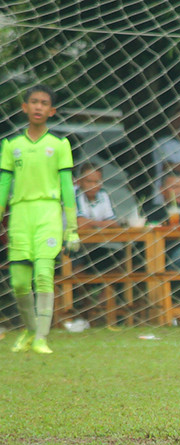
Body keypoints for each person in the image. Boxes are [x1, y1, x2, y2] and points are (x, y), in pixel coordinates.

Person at [0, 84, 78, 354]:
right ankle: (30, 330)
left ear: (52, 110)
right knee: (19, 282)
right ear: (24, 107)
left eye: (44, 103)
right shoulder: (12, 145)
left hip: (48, 213)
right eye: (33, 102)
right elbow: (3, 184)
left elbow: (67, 188)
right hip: (20, 214)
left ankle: (42, 337)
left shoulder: (59, 145)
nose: (38, 107)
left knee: (44, 275)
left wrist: (73, 229)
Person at [74, 162, 120, 272]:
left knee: (117, 263)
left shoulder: (103, 194)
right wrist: (102, 224)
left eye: (97, 182)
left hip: (95, 246)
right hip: (73, 248)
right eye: (89, 181)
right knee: (80, 271)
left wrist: (91, 223)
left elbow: (113, 224)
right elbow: (80, 224)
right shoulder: (75, 194)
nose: (93, 185)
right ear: (79, 182)